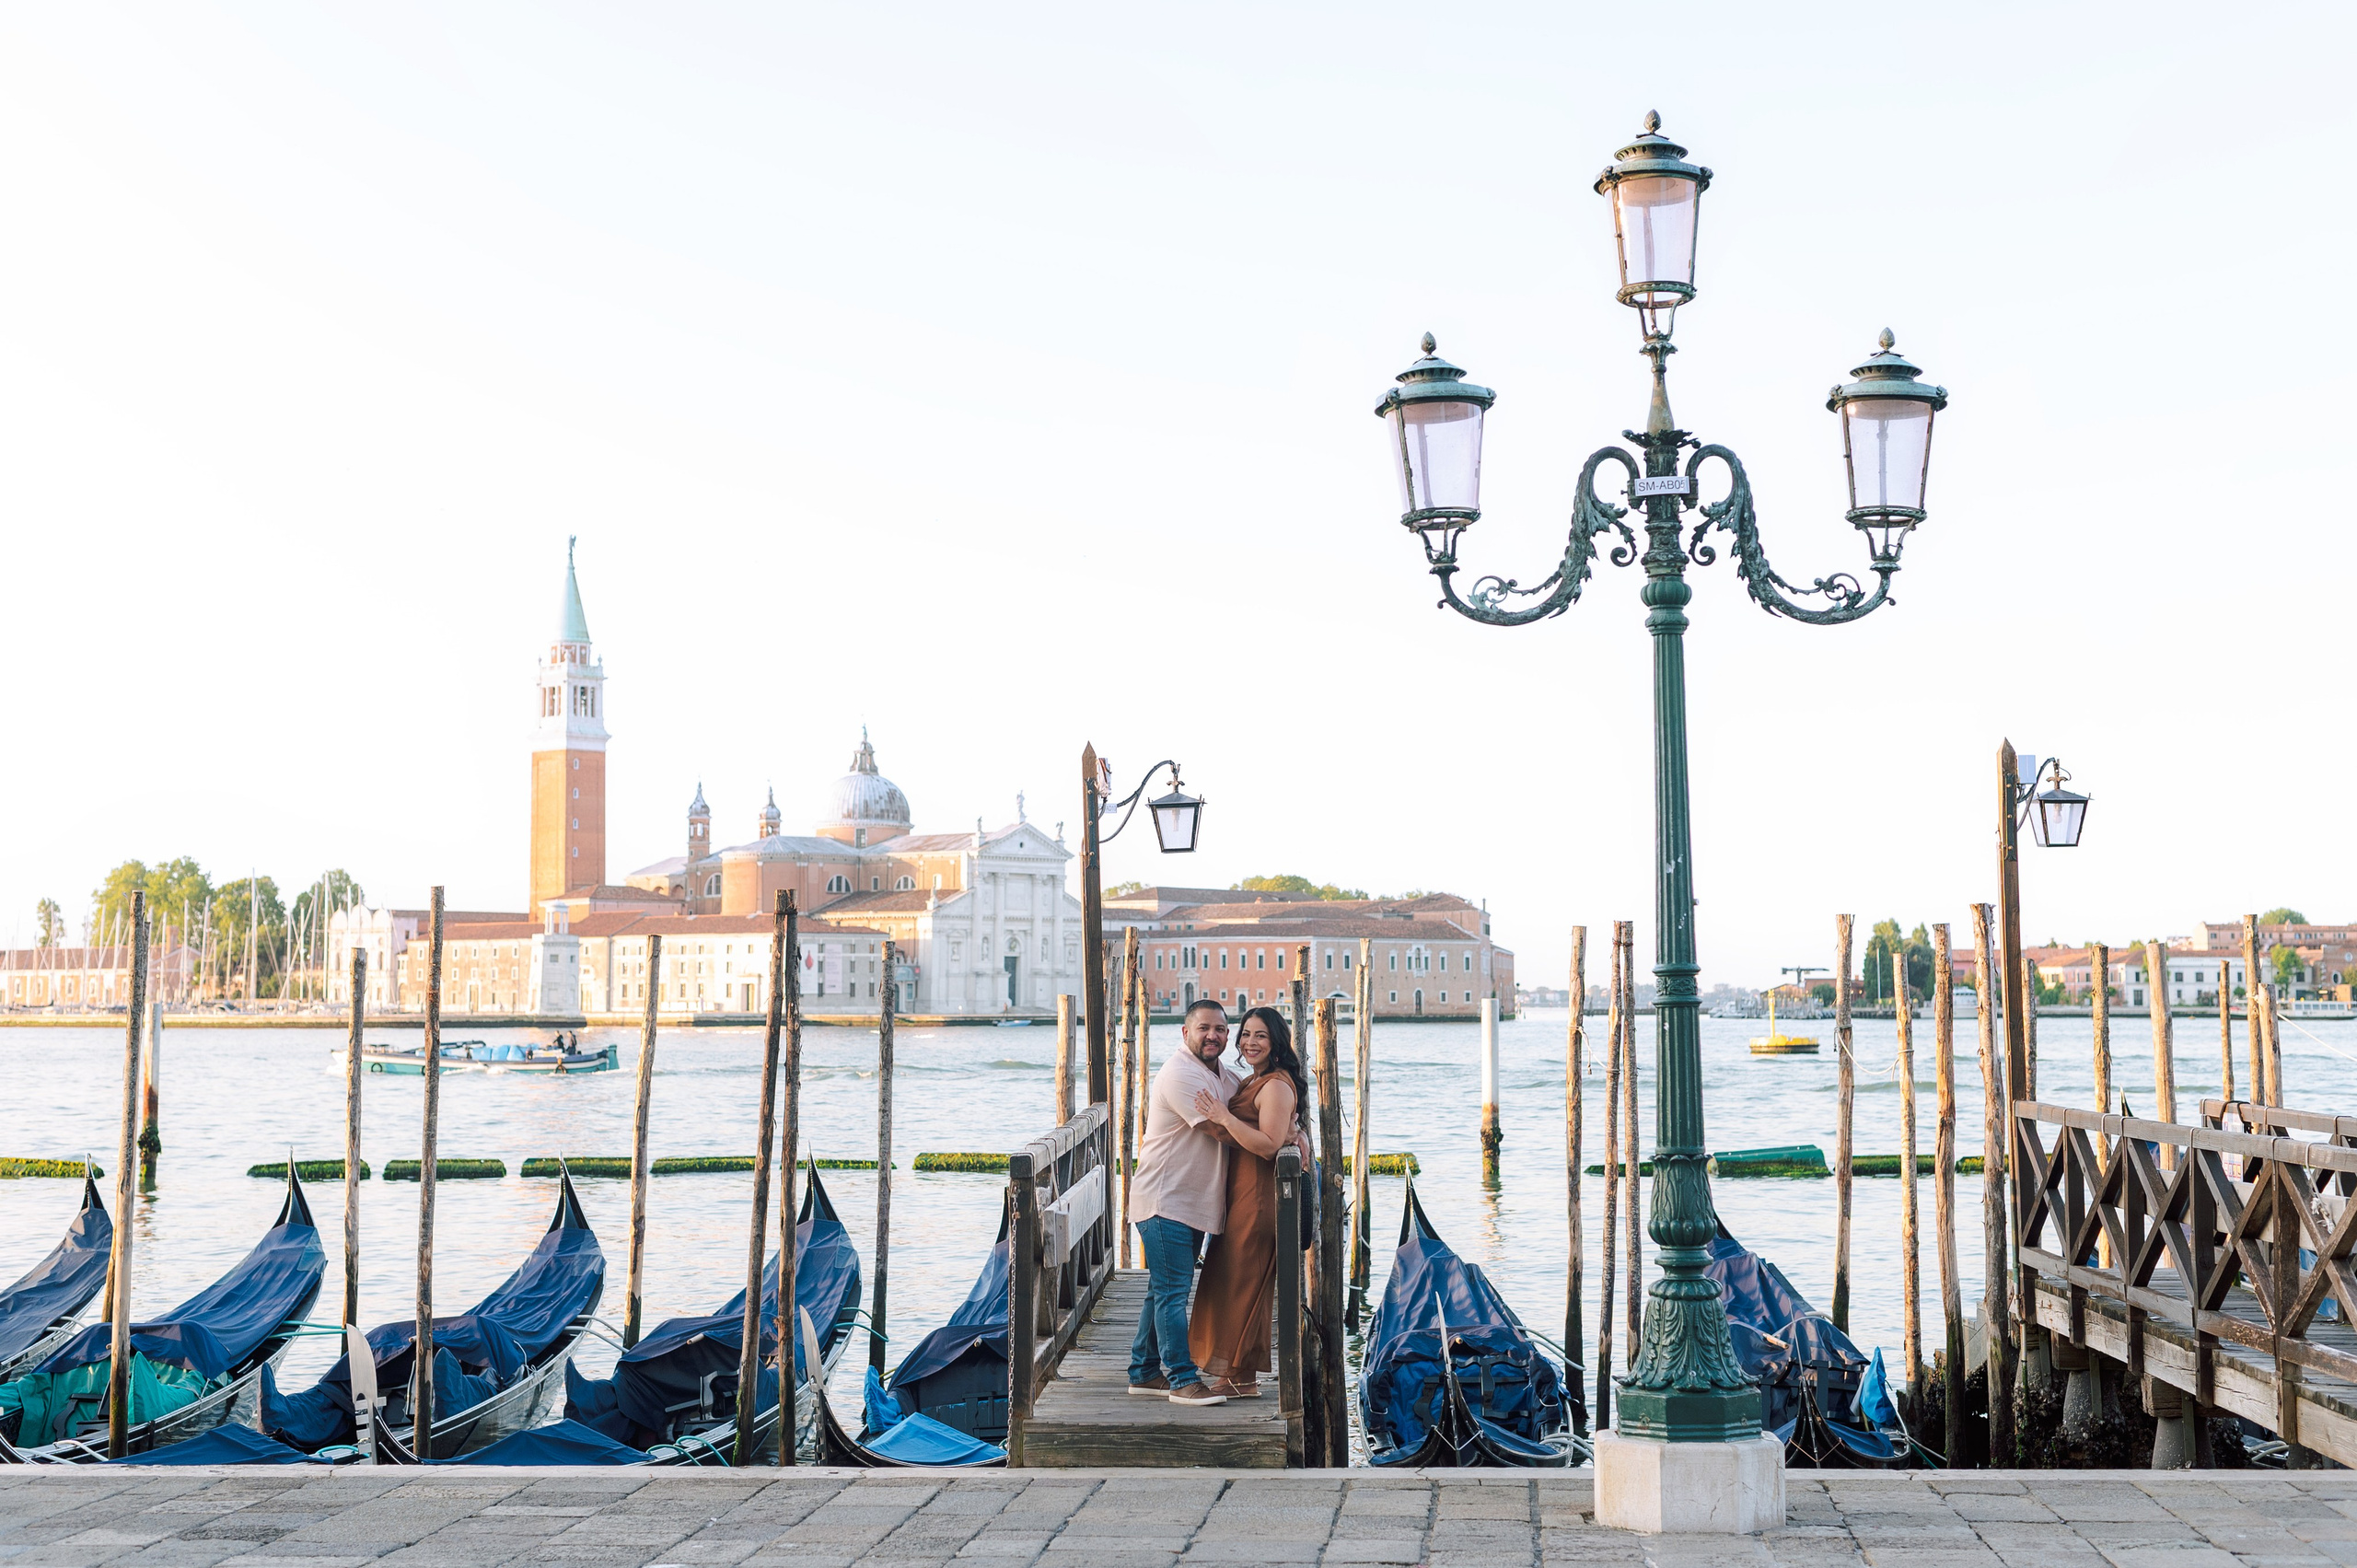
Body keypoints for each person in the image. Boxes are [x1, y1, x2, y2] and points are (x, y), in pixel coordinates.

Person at [1188, 1005, 1311, 1399]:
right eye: (1245, 1034)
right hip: (1242, 1196)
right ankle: (1238, 1376)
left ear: (1276, 1041)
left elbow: (1268, 1145)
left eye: (1259, 1035)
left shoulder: (1274, 1084)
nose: (1249, 1042)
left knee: (1243, 1285)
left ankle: (1242, 1377)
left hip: (1259, 1200)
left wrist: (1223, 1116)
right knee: (1231, 1283)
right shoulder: (1254, 1081)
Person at [1126, 998, 1239, 1405]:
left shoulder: (1222, 1075)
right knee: (1173, 1293)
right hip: (1164, 1200)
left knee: (1162, 1291)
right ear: (1185, 1032)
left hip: (1187, 1204)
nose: (1213, 1035)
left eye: (1221, 1030)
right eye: (1204, 1028)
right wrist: (1273, 1140)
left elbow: (1248, 1106)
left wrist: (1292, 1127)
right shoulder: (1180, 1074)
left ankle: (1143, 1371)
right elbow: (1222, 1131)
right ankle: (1182, 1380)